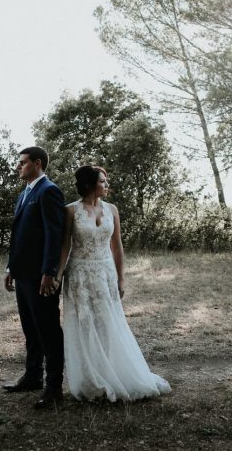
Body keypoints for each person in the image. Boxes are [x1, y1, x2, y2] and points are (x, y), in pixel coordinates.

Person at [54, 165, 170, 402]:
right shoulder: (70, 211)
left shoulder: (112, 210)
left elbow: (117, 246)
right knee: (84, 324)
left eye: (106, 182)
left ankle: (113, 372)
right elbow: (65, 246)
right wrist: (57, 275)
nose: (107, 186)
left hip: (106, 273)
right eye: (103, 182)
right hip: (79, 275)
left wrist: (121, 277)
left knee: (108, 324)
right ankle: (91, 380)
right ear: (89, 184)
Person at [2, 146, 65, 409]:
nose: (18, 166)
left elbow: (54, 235)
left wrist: (49, 272)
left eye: (23, 162)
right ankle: (32, 376)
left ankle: (53, 388)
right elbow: (20, 236)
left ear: (37, 164)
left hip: (41, 276)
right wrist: (10, 268)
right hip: (22, 274)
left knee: (48, 330)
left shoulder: (49, 191)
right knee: (30, 328)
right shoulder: (24, 194)